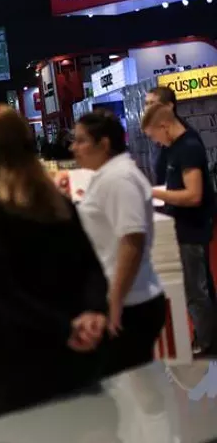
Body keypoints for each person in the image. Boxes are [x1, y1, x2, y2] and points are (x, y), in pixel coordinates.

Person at [0, 105, 109, 417]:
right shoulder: (57, 204)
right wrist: (92, 314)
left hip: (17, 369)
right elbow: (91, 267)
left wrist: (65, 328)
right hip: (78, 360)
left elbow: (1, 296)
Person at [72, 111, 166, 376]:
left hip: (130, 304)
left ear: (103, 144)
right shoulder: (111, 175)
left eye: (81, 141)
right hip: (127, 299)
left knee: (135, 391)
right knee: (132, 390)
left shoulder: (119, 179)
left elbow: (132, 241)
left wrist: (114, 303)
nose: (73, 147)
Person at [144, 104, 217, 356]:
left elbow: (194, 194)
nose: (157, 142)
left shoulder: (188, 148)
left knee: (195, 291)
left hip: (192, 229)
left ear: (164, 126)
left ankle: (208, 344)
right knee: (193, 288)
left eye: (154, 136)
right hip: (183, 227)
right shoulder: (176, 148)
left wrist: (154, 193)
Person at [145, 86, 203, 184]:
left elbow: (193, 194)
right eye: (146, 104)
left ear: (169, 106)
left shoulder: (187, 141)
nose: (147, 108)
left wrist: (154, 193)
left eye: (152, 103)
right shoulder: (161, 136)